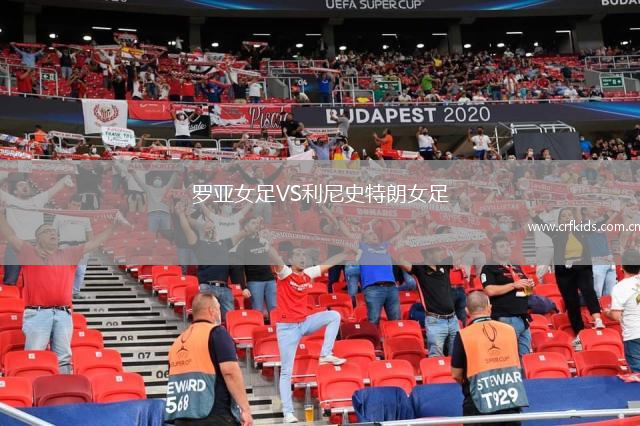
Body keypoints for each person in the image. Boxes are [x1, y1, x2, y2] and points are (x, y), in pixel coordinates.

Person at [0, 201, 119, 374]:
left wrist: (114, 226)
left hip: (63, 314)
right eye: (47, 231)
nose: (52, 233)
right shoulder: (29, 253)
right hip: (38, 313)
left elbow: (94, 242)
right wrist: (1, 213)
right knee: (35, 357)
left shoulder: (69, 254)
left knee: (64, 359)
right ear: (38, 238)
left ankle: (64, 387)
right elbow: (10, 235)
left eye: (54, 232)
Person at [269, 246, 351, 423]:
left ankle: (325, 354)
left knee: (334, 315)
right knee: (286, 371)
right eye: (298, 254)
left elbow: (328, 264)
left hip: (304, 322)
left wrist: (346, 253)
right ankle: (288, 412)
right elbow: (276, 259)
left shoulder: (307, 274)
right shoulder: (285, 274)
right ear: (291, 260)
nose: (302, 257)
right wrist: (266, 245)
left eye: (304, 254)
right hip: (287, 328)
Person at [165, 293, 253, 426]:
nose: (220, 313)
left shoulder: (177, 342)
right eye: (219, 309)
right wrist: (245, 409)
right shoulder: (217, 333)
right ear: (212, 311)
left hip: (182, 417)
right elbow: (230, 372)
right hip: (214, 415)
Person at [451, 291, 529, 426]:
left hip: (478, 404)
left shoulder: (463, 335)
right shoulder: (509, 330)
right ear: (489, 308)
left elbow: (456, 374)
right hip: (510, 400)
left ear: (467, 311)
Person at [529, 207, 608, 339]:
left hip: (582, 268)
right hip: (565, 272)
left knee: (588, 291)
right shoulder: (555, 232)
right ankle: (579, 332)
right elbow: (541, 224)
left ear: (573, 218)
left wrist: (610, 213)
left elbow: (598, 223)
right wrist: (533, 215)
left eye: (569, 215)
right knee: (571, 301)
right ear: (560, 220)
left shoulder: (581, 229)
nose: (567, 217)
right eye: (564, 216)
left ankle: (597, 319)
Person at [397, 241, 475, 357]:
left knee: (457, 356)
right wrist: (398, 247)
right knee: (436, 357)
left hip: (453, 319)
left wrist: (472, 242)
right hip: (435, 322)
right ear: (429, 253)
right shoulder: (419, 268)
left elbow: (460, 252)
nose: (441, 253)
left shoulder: (444, 264)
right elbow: (399, 261)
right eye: (438, 250)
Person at [175, 202, 248, 321]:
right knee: (210, 320)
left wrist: (248, 228)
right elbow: (187, 230)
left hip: (224, 288)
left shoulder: (224, 243)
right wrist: (181, 214)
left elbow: (241, 234)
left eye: (213, 228)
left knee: (230, 319)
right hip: (207, 287)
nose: (211, 230)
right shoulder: (199, 244)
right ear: (202, 231)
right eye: (208, 228)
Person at [0, 174, 71, 285]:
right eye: (21, 185)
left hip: (34, 245)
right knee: (10, 280)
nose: (25, 186)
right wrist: (3, 176)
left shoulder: (38, 199)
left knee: (34, 281)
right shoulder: (10, 199)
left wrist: (67, 176)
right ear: (15, 191)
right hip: (14, 244)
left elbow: (56, 188)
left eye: (26, 184)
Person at [481, 235, 533, 356]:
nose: (506, 248)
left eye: (507, 246)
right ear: (493, 250)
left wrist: (529, 286)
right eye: (502, 246)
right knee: (508, 356)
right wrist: (513, 285)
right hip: (505, 318)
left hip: (523, 317)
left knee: (525, 358)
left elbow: (526, 292)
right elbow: (489, 290)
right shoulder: (489, 268)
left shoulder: (515, 266)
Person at [605, 250, 640, 373]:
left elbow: (615, 316)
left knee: (637, 374)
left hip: (634, 335)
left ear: (622, 266)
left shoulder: (620, 287)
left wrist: (606, 313)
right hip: (634, 334)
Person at [53, 195, 93, 300]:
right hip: (65, 246)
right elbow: (53, 232)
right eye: (74, 204)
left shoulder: (85, 217)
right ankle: (63, 292)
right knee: (65, 270)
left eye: (78, 205)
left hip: (81, 246)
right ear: (69, 204)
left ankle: (76, 292)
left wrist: (92, 245)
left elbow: (89, 233)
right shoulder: (60, 216)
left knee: (80, 271)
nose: (76, 207)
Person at [235, 217, 276, 318]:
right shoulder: (242, 245)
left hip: (270, 280)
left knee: (275, 309)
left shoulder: (263, 241)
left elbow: (275, 258)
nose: (257, 225)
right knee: (258, 311)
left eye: (257, 223)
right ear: (246, 227)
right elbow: (238, 268)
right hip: (255, 282)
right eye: (253, 223)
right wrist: (243, 287)